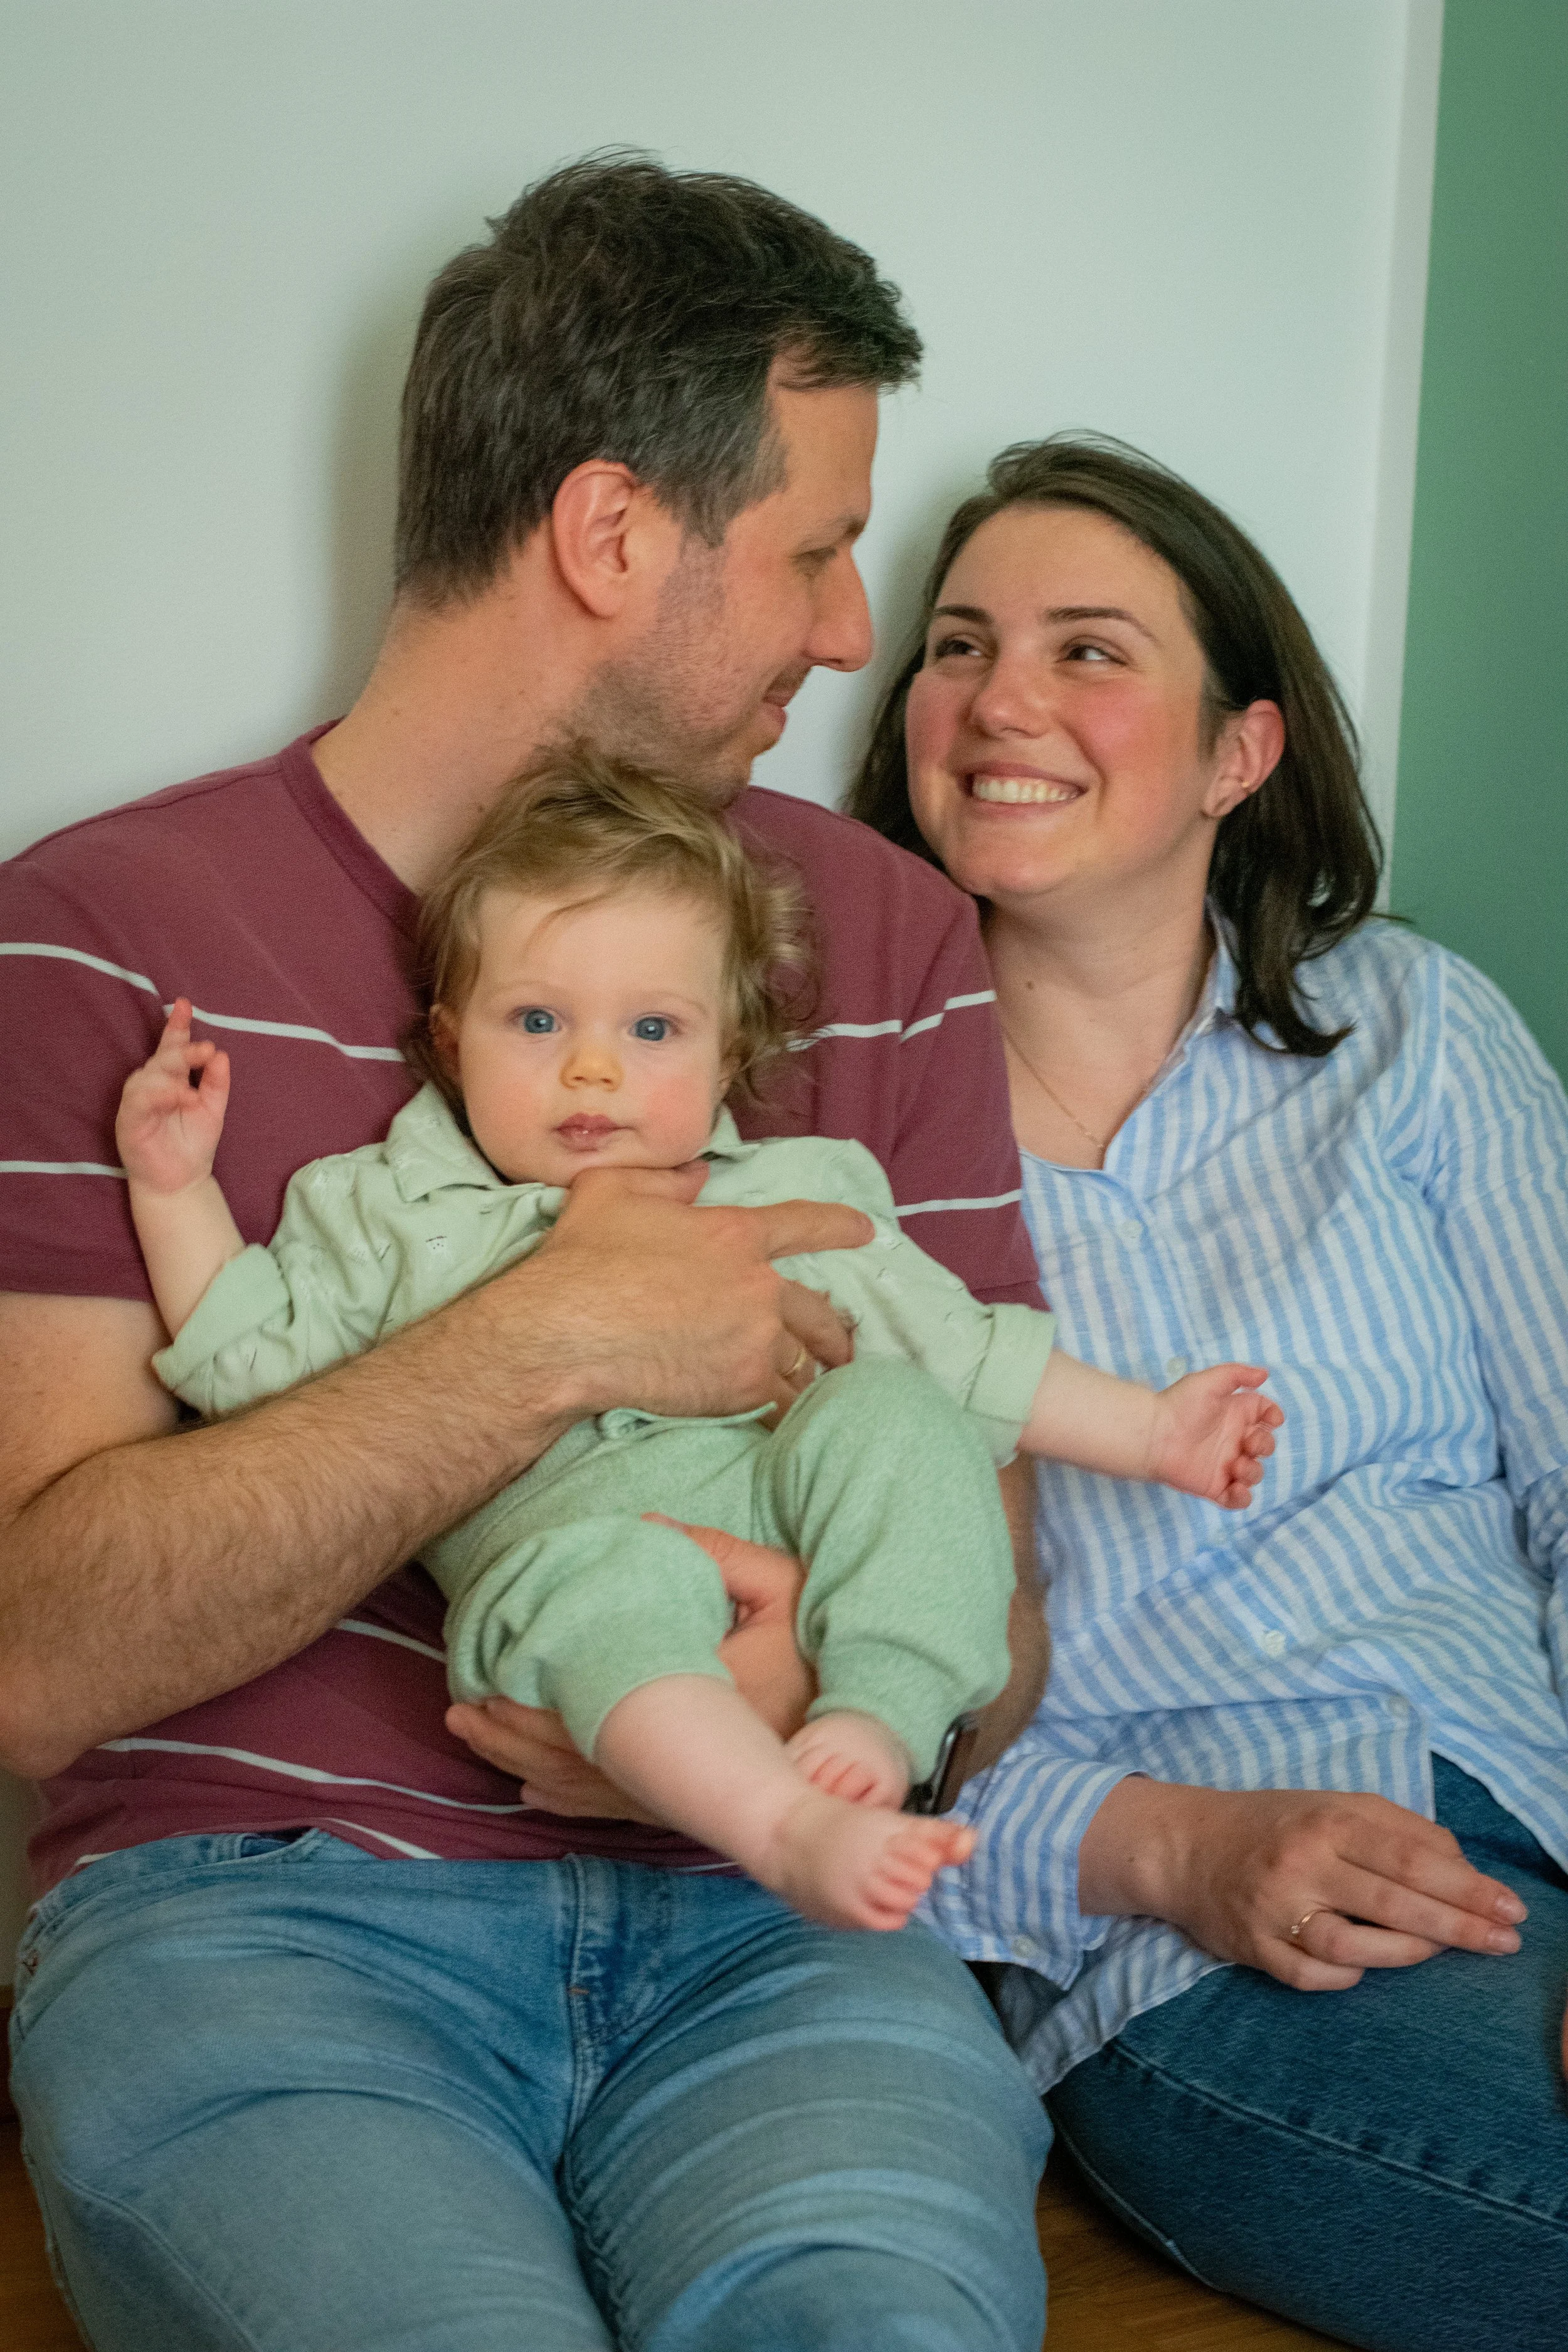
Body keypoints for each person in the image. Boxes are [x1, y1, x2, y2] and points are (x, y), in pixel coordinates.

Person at [0, 160, 1057, 2351]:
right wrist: (551, 1333)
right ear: (606, 537)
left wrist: (797, 1715)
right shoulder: (99, 937)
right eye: (813, 549)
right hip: (262, 1926)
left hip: (785, 1932)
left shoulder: (882, 941)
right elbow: (34, 1661)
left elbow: (1014, 1612)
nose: (857, 631)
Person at [848, 432, 1568, 2351]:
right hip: (1199, 1943)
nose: (1001, 698)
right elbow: (829, 1734)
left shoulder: (1409, 1029)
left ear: (1238, 754)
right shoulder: (825, 1164)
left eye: (1089, 648)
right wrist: (1175, 1845)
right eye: (955, 644)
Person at [115, 752, 1281, 1931]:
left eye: (654, 1027)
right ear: (451, 1037)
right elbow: (250, 1366)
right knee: (613, 1580)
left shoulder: (792, 1196)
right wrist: (173, 1191)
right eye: (536, 1019)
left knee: (899, 1414)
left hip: (784, 1509)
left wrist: (1150, 1428)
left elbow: (962, 1350)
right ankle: (784, 1824)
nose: (593, 1066)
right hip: (567, 1554)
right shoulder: (383, 1212)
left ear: (728, 1054)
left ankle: (877, 1712)